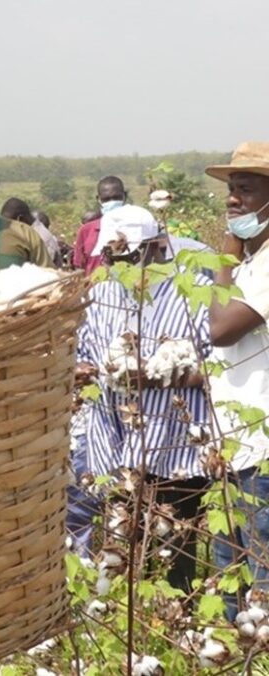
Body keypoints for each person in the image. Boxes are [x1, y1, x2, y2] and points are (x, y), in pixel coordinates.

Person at [76, 206, 211, 591]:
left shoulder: (191, 293)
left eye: (129, 253)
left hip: (176, 444)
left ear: (155, 247)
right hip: (117, 441)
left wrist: (158, 376)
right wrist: (85, 371)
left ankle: (175, 614)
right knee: (122, 541)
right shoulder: (101, 293)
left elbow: (215, 369)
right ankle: (127, 616)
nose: (120, 261)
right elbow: (84, 353)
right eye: (113, 254)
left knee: (176, 544)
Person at [205, 142, 269, 615]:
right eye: (231, 190)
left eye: (245, 190)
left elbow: (221, 330)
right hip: (235, 450)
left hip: (263, 456)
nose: (233, 200)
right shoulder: (253, 261)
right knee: (231, 577)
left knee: (260, 586)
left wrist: (226, 249)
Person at [73, 176, 128, 275]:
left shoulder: (136, 227)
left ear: (124, 196)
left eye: (116, 197)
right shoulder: (86, 231)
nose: (111, 202)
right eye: (106, 199)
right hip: (93, 288)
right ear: (99, 199)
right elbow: (79, 267)